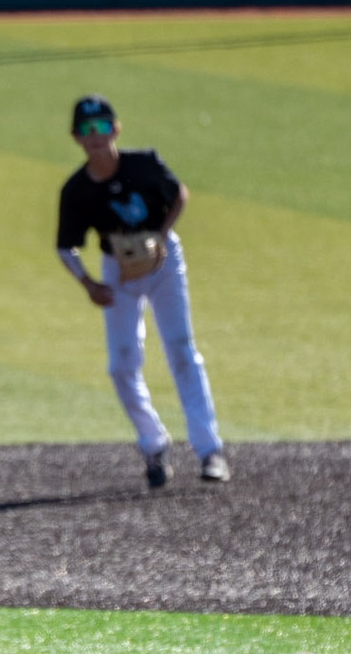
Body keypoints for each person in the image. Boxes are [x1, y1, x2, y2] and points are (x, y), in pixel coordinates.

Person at [55, 95, 229, 486]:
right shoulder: (76, 190)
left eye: (102, 126)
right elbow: (65, 247)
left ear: (116, 129)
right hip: (117, 268)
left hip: (163, 261)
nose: (95, 135)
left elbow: (178, 193)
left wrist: (162, 236)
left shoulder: (144, 164)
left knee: (181, 349)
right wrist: (89, 284)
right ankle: (154, 444)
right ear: (76, 137)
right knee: (121, 363)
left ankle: (209, 451)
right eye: (87, 129)